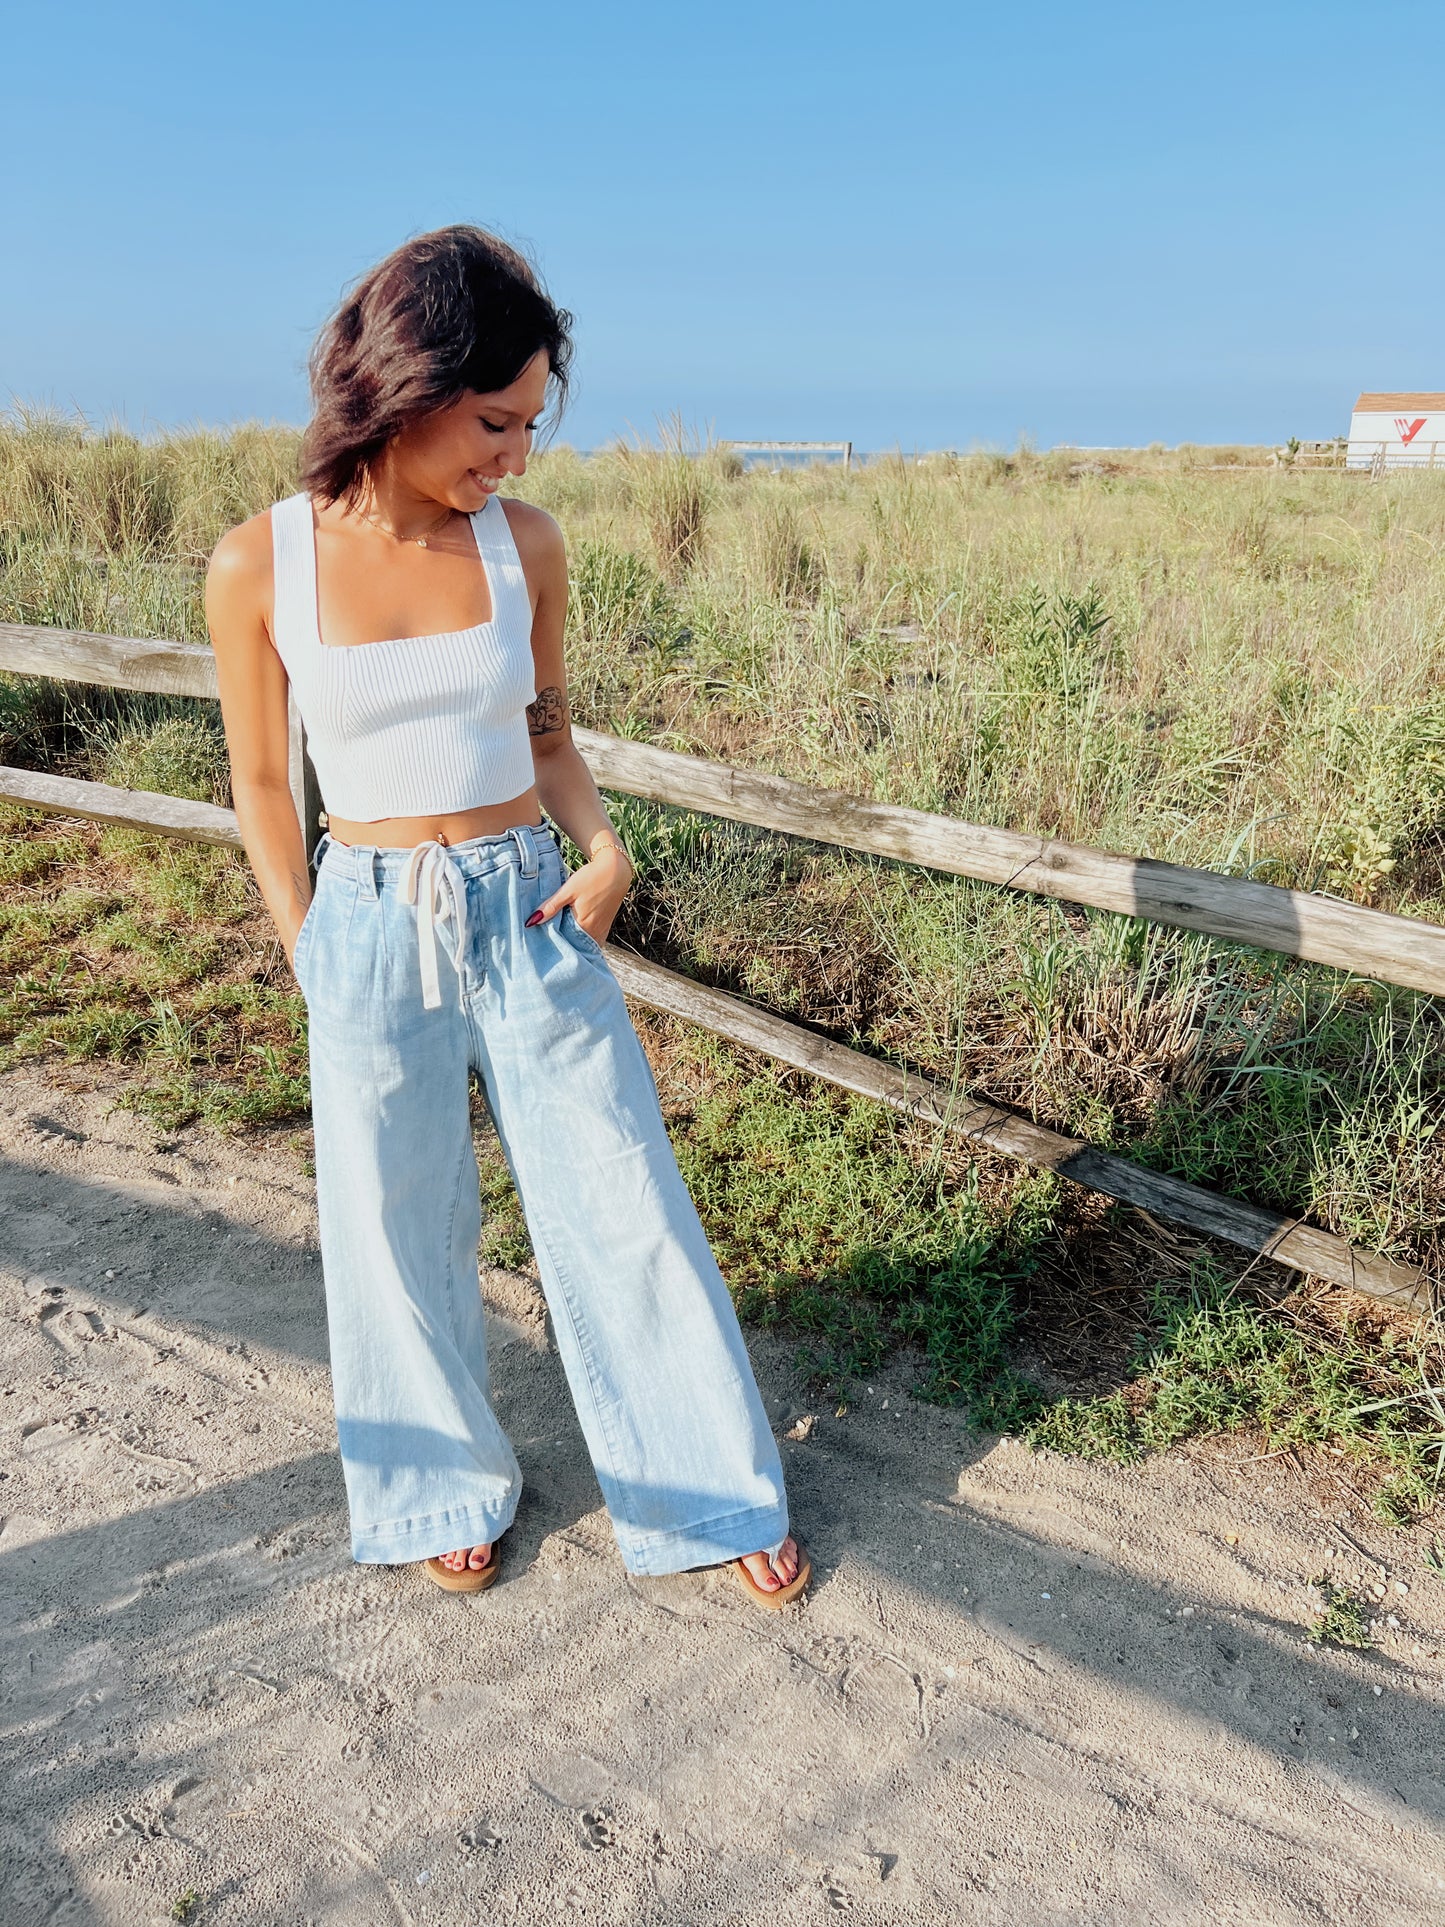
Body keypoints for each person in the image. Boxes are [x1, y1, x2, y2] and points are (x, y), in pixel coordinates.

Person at [204, 225, 808, 1607]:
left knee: (621, 1192)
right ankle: (432, 1484)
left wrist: (605, 851)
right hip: (362, 910)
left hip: (528, 902)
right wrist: (311, 942)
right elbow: (255, 778)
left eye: (532, 424)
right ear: (399, 389)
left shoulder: (521, 546)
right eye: (493, 421)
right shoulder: (262, 563)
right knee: (390, 1217)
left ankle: (706, 1486)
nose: (515, 456)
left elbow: (548, 740)